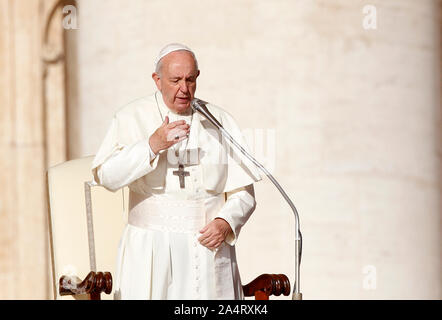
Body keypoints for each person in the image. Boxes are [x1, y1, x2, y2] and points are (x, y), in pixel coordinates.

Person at [91, 43, 261, 299]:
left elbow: (244, 193)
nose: (184, 88)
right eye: (175, 80)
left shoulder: (218, 120)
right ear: (157, 80)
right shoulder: (130, 116)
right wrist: (151, 146)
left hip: (209, 249)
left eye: (190, 79)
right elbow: (107, 176)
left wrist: (226, 222)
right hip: (151, 250)